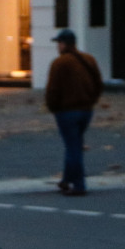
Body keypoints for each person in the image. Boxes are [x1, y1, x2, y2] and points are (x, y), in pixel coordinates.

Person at [44, 28, 102, 196]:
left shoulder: (59, 63)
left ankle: (79, 184)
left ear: (63, 44)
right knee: (75, 144)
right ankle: (67, 179)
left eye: (59, 43)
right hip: (86, 109)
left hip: (66, 110)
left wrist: (53, 107)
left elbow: (52, 90)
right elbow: (98, 83)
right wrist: (91, 101)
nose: (58, 47)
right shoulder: (89, 59)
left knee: (72, 147)